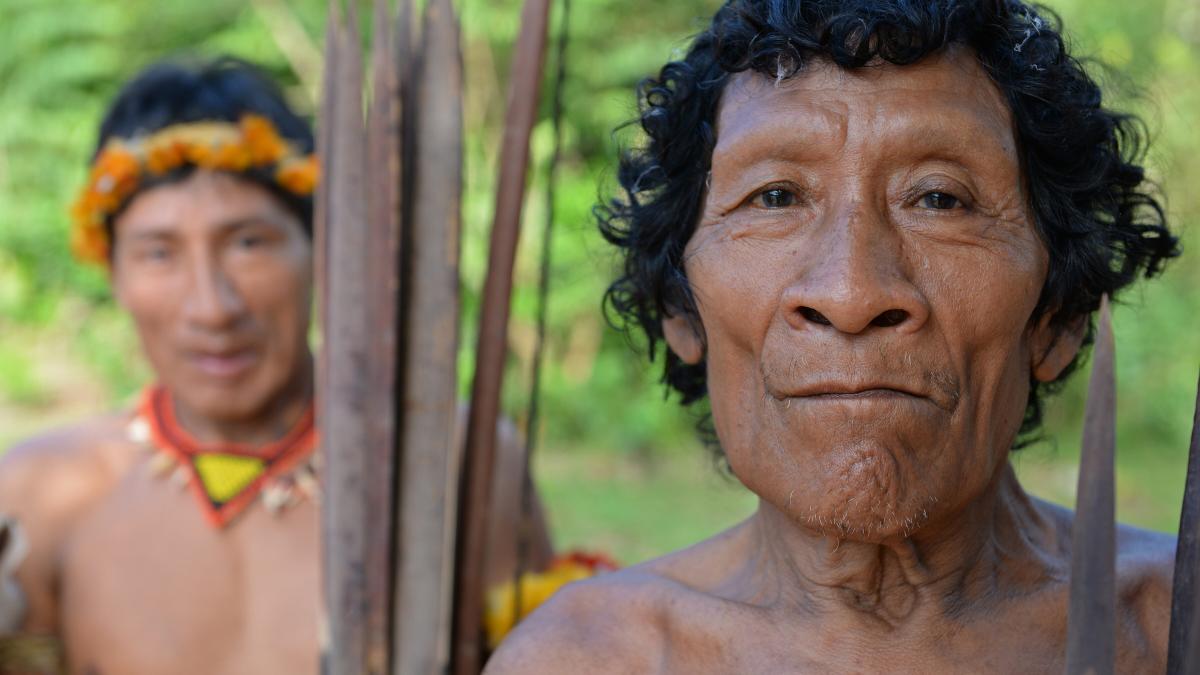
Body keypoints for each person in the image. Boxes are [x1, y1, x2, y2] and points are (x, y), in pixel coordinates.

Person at [486, 0, 1183, 672]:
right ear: (682, 310)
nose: (850, 294)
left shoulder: (1170, 631)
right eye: (776, 197)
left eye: (939, 198)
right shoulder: (583, 659)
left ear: (1056, 318)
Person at [0, 57, 549, 675]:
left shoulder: (457, 463)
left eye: (248, 243)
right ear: (113, 274)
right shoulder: (39, 498)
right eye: (159, 253)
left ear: (323, 250)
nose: (212, 307)